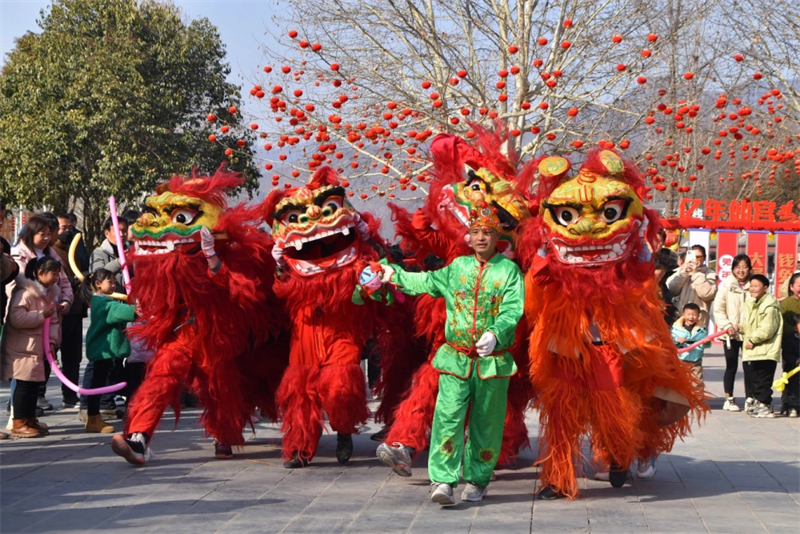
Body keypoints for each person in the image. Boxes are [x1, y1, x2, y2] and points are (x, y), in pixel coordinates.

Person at [377, 205, 524, 505]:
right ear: (469, 237)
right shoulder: (457, 268)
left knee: (487, 423)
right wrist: (394, 274)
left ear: (498, 237)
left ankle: (478, 480)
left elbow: (513, 310)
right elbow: (427, 283)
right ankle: (443, 480)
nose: (481, 238)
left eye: (487, 232)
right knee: (448, 418)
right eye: (476, 232)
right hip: (456, 358)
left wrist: (495, 333)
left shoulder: (509, 272)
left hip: (491, 363)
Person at [8, 215, 74, 415]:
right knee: (22, 370)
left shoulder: (52, 254)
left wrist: (65, 301)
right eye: (41, 234)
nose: (46, 238)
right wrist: (38, 301)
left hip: (49, 318)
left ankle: (30, 413)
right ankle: (17, 414)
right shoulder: (19, 254)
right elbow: (15, 284)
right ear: (30, 233)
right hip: (29, 318)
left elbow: (64, 283)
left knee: (41, 366)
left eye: (48, 234)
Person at [0, 257, 62, 438]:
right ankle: (19, 421)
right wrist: (40, 316)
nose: (56, 277)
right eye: (54, 273)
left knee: (35, 385)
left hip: (37, 349)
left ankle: (30, 418)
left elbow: (54, 322)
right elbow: (16, 319)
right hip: (22, 349)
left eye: (58, 274)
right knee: (23, 385)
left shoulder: (49, 294)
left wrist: (51, 342)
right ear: (40, 273)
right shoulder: (25, 293)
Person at [81, 216, 129, 420]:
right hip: (108, 307)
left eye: (125, 230)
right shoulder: (100, 252)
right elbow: (97, 276)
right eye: (119, 230)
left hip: (122, 307)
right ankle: (87, 405)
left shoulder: (129, 249)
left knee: (115, 359)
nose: (123, 234)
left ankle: (107, 401)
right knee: (99, 362)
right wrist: (120, 262)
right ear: (107, 232)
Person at [84, 268, 136, 433]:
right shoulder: (102, 302)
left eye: (115, 282)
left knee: (106, 382)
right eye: (110, 282)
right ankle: (93, 418)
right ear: (98, 284)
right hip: (103, 350)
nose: (114, 285)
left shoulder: (104, 300)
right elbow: (117, 312)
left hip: (107, 351)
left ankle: (94, 417)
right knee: (100, 384)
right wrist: (135, 309)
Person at [50, 213, 89, 409]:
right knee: (49, 353)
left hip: (74, 309)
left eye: (70, 228)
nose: (68, 231)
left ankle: (70, 394)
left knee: (73, 356)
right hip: (56, 312)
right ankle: (38, 395)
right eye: (63, 228)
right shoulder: (51, 252)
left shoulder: (75, 250)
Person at [713, 254, 752, 412]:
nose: (741, 271)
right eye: (738, 267)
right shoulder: (725, 286)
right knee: (731, 365)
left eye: (744, 267)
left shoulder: (755, 285)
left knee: (750, 366)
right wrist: (727, 326)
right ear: (733, 269)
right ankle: (729, 398)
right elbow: (718, 310)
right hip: (730, 334)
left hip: (749, 333)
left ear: (749, 268)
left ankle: (750, 398)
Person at [740, 274, 783, 418]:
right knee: (756, 379)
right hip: (755, 350)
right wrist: (739, 328)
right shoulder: (753, 303)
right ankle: (759, 404)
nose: (752, 289)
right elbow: (749, 324)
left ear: (765, 287)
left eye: (756, 286)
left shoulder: (770, 306)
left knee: (763, 380)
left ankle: (765, 406)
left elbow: (768, 328)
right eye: (751, 285)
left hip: (766, 350)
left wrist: (752, 339)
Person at [666, 244, 717, 326]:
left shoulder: (710, 274)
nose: (696, 260)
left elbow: (707, 295)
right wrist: (683, 273)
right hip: (679, 320)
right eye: (692, 257)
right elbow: (671, 289)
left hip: (699, 322)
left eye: (699, 257)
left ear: (704, 258)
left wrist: (696, 274)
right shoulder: (680, 272)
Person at [671, 303, 710, 386]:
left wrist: (706, 343)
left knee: (697, 383)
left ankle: (697, 398)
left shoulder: (701, 329)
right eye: (688, 314)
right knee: (680, 382)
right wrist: (677, 339)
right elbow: (670, 338)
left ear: (699, 315)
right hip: (680, 360)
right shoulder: (676, 328)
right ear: (683, 314)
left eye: (694, 314)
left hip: (695, 361)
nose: (691, 317)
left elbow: (703, 343)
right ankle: (681, 398)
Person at [779, 273, 800, 415]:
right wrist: (793, 329)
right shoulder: (786, 303)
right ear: (792, 287)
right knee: (790, 374)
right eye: (799, 285)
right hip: (790, 342)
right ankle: (788, 404)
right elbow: (781, 323)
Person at [780, 314, 800, 417]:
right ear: (795, 327)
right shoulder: (790, 340)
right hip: (792, 370)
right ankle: (791, 406)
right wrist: (797, 361)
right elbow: (787, 355)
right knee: (792, 388)